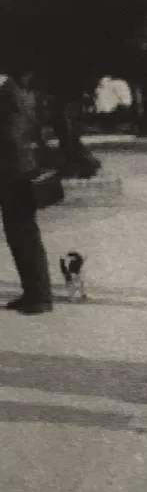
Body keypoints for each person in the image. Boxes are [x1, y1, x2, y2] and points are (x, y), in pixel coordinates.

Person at [0, 70, 53, 315]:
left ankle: (39, 296)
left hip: (14, 173)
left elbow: (12, 136)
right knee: (20, 233)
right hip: (17, 170)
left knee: (22, 233)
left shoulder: (8, 92)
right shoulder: (14, 91)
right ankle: (35, 293)